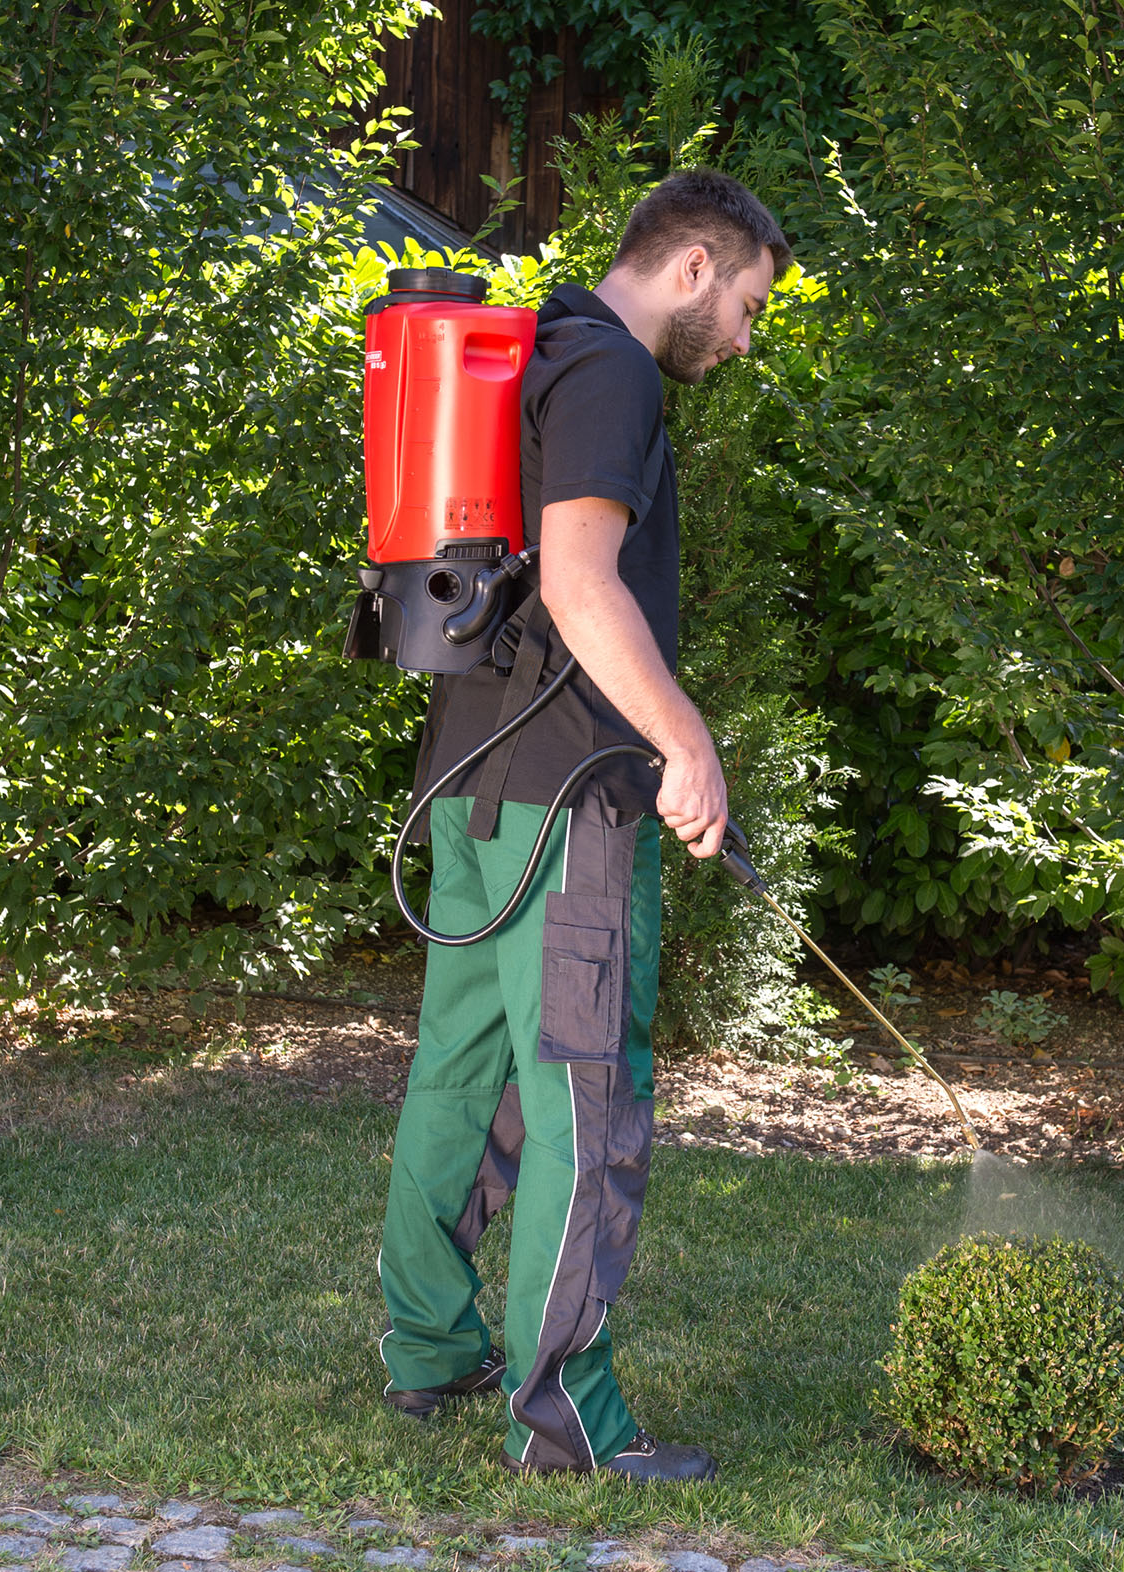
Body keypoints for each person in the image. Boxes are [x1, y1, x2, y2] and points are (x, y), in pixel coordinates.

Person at [372, 169, 789, 1482]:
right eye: (744, 305)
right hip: (566, 807)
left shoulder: (538, 344)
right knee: (582, 1102)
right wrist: (687, 742)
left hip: (475, 789)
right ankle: (566, 1421)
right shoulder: (611, 374)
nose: (741, 337)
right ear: (689, 266)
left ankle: (431, 1347)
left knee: (459, 1077)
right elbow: (577, 579)